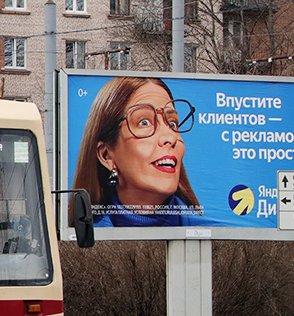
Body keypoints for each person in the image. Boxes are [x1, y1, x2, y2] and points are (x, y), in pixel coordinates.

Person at [72, 77, 202, 227]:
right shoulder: (87, 239)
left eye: (172, 123)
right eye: (144, 122)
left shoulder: (209, 231)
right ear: (106, 155)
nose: (170, 137)